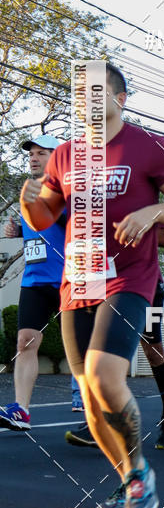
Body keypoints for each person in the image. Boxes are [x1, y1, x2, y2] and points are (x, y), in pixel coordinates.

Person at [20, 63, 164, 508]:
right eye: (79, 91)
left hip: (127, 277)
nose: (85, 98)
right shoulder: (64, 154)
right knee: (89, 394)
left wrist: (151, 214)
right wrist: (30, 202)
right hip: (76, 282)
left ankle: (140, 471)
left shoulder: (148, 145)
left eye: (95, 90)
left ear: (120, 98)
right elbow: (46, 217)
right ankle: (133, 477)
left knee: (104, 377)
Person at [65, 226, 164, 450]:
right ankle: (101, 421)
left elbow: (163, 238)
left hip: (142, 283)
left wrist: (132, 226)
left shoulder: (140, 196)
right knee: (102, 349)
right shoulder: (92, 201)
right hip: (103, 279)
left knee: (152, 351)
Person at [0, 135, 67, 431]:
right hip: (35, 280)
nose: (34, 158)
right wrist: (18, 233)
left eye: (41, 153)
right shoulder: (28, 193)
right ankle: (21, 411)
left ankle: (100, 411)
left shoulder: (69, 192)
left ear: (57, 157)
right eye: (31, 155)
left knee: (84, 349)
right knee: (25, 340)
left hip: (70, 281)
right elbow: (36, 232)